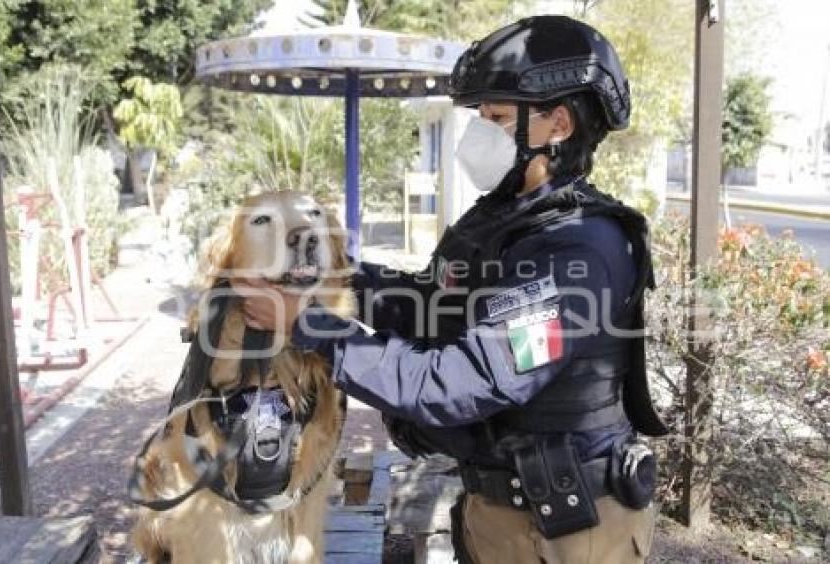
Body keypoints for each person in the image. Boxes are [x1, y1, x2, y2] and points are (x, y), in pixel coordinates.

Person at [237, 14, 668, 564]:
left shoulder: (576, 255)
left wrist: (307, 323)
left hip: (566, 534)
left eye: (497, 117)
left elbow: (457, 380)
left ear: (558, 124)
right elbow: (432, 306)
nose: (479, 132)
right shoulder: (505, 221)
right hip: (503, 512)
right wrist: (335, 276)